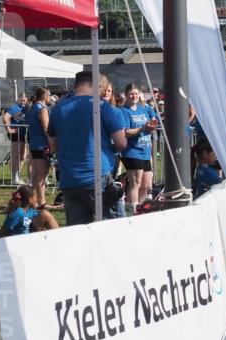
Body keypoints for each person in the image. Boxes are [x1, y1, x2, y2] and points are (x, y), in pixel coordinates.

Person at [46, 71, 128, 225]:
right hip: (98, 177)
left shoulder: (57, 109)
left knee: (78, 233)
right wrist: (109, 148)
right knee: (114, 229)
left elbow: (53, 144)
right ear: (94, 85)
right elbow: (121, 143)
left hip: (69, 179)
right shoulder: (102, 107)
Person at [120, 83, 160, 214]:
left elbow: (154, 120)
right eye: (131, 93)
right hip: (132, 151)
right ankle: (133, 211)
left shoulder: (144, 108)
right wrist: (143, 128)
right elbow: (125, 132)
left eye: (136, 93)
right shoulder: (124, 111)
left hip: (146, 150)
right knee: (135, 183)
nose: (134, 96)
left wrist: (152, 125)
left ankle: (141, 209)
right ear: (126, 95)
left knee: (147, 185)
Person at [25, 87, 53, 207]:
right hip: (42, 144)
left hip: (35, 143)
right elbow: (46, 127)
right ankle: (41, 202)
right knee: (42, 174)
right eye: (49, 94)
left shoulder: (33, 107)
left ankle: (35, 200)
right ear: (44, 96)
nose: (50, 97)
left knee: (37, 174)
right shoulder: (42, 108)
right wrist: (52, 142)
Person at [2, 93, 30, 183]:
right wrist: (9, 129)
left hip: (22, 134)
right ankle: (15, 177)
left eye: (25, 101)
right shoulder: (14, 107)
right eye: (22, 100)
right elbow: (5, 117)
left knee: (23, 156)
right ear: (18, 99)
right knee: (16, 155)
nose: (23, 103)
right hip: (15, 134)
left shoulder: (25, 108)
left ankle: (17, 175)